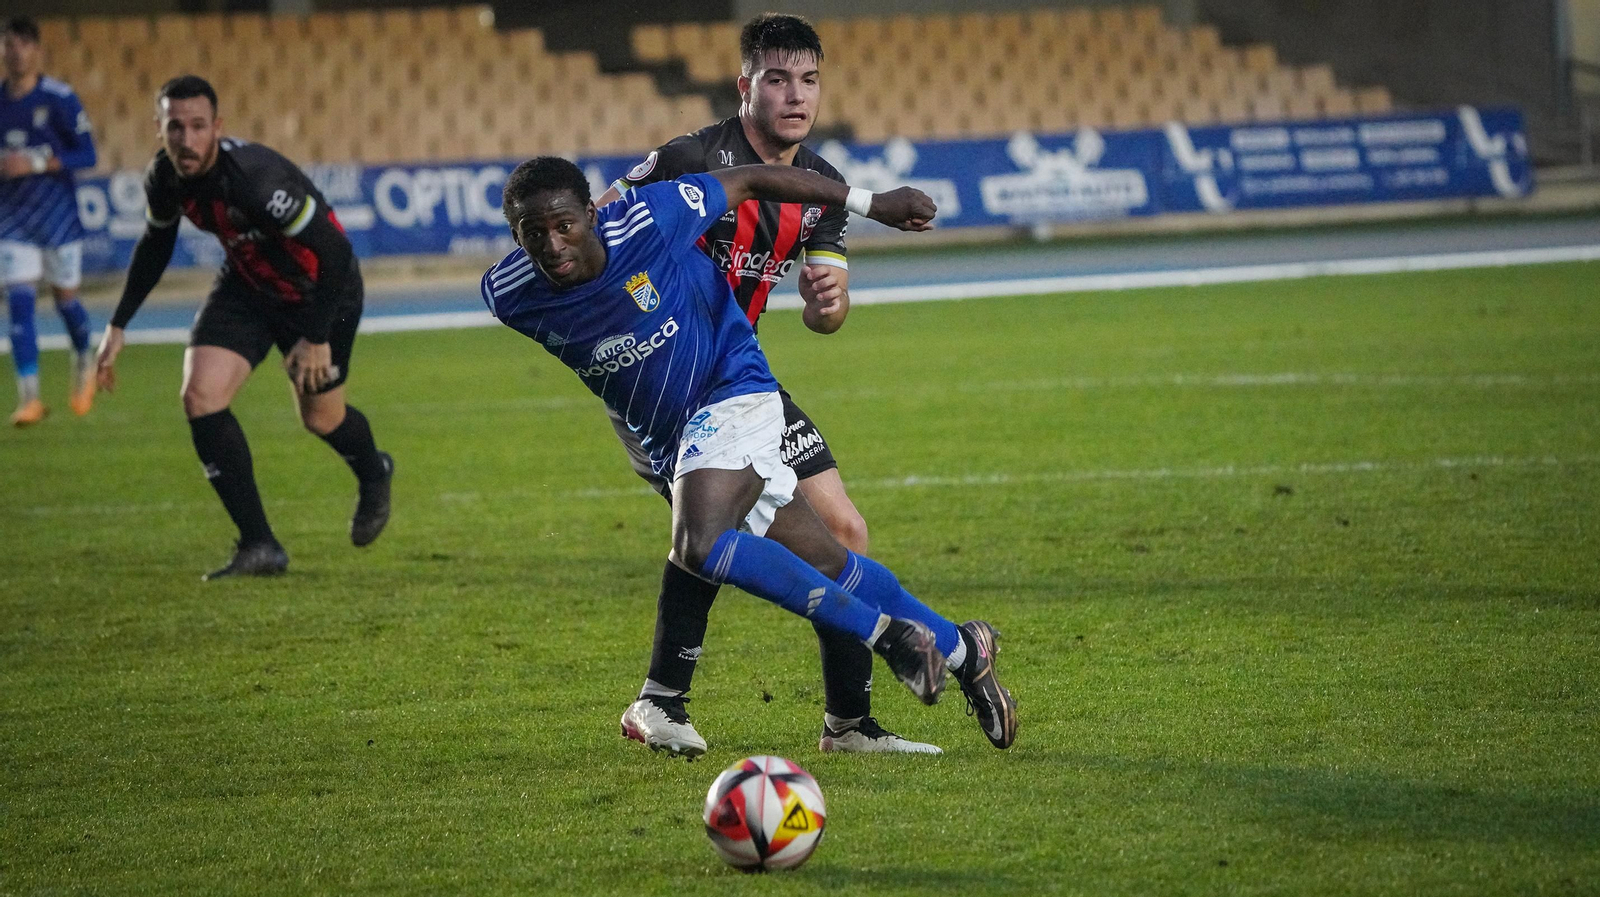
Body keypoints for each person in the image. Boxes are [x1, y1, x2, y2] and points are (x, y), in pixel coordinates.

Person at [481, 156, 1017, 758]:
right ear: (515, 236)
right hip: (673, 439)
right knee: (829, 560)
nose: (552, 246)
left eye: (564, 226)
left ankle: (886, 638)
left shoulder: (649, 221)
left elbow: (754, 179)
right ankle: (965, 649)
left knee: (700, 544)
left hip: (734, 390)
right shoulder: (509, 296)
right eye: (533, 234)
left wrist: (871, 204)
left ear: (591, 214)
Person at [594, 14, 928, 754]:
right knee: (714, 527)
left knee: (844, 531)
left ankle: (847, 724)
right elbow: (604, 225)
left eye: (808, 79)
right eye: (777, 78)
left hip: (742, 379)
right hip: (665, 384)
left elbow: (827, 310)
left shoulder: (824, 185)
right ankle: (660, 701)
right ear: (745, 85)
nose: (795, 95)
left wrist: (826, 301)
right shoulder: (689, 158)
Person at [91, 75, 394, 580]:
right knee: (200, 395)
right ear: (160, 128)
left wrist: (316, 336)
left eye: (197, 126)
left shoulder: (256, 180)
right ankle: (259, 545)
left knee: (320, 417)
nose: (186, 140)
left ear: (217, 127)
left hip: (323, 292)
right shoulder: (164, 177)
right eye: (174, 127)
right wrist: (119, 323)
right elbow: (156, 241)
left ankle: (373, 469)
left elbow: (337, 253)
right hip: (247, 286)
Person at [1, 17, 98, 426]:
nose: (16, 51)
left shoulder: (59, 97)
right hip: (12, 219)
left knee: (66, 302)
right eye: (8, 43)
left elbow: (88, 155)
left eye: (23, 43)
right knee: (19, 301)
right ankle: (30, 398)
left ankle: (84, 355)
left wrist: (37, 161)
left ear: (36, 50)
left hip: (57, 217)